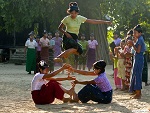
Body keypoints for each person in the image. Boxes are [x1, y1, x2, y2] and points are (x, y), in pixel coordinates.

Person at [129, 25, 146, 99]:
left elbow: (138, 50)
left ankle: (138, 93)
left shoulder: (140, 40)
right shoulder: (139, 39)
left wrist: (132, 44)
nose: (134, 34)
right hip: (137, 57)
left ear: (140, 33)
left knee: (138, 75)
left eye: (135, 33)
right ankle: (136, 91)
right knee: (135, 74)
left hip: (139, 58)